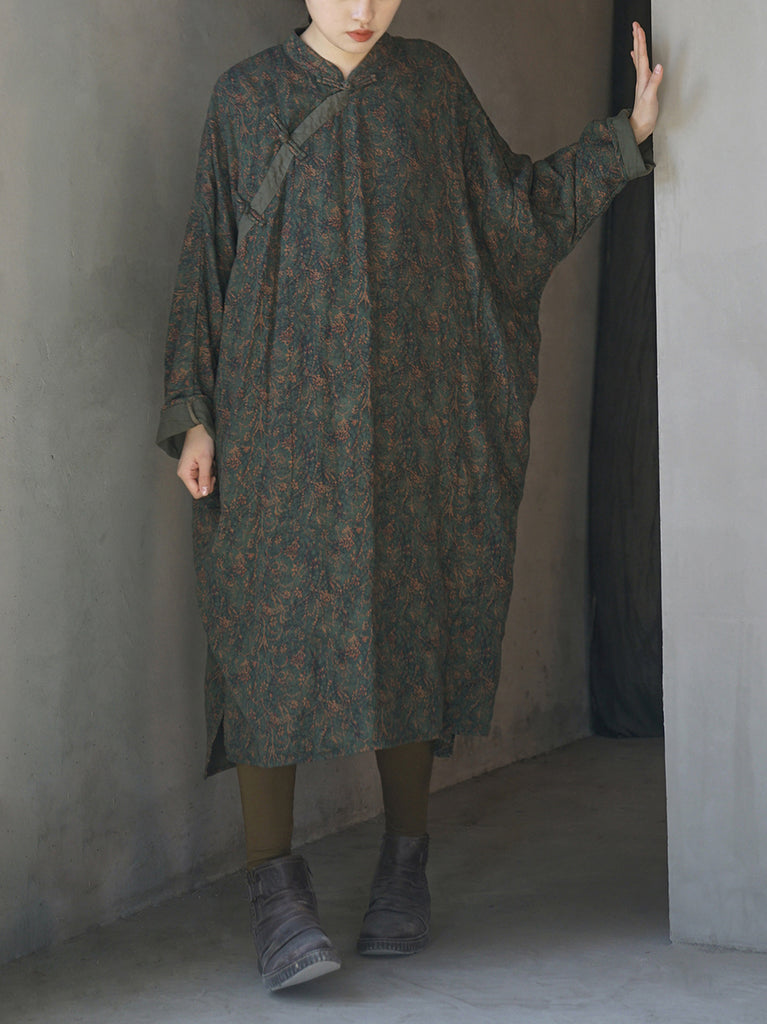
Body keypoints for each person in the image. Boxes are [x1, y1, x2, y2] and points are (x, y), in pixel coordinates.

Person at [157, 0, 662, 993]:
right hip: (274, 419)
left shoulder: (430, 88)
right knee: (267, 639)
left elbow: (511, 216)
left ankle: (403, 862)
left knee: (405, 625)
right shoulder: (245, 99)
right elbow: (204, 261)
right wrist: (195, 416)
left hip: (408, 423)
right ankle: (275, 890)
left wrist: (625, 137)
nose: (361, 11)